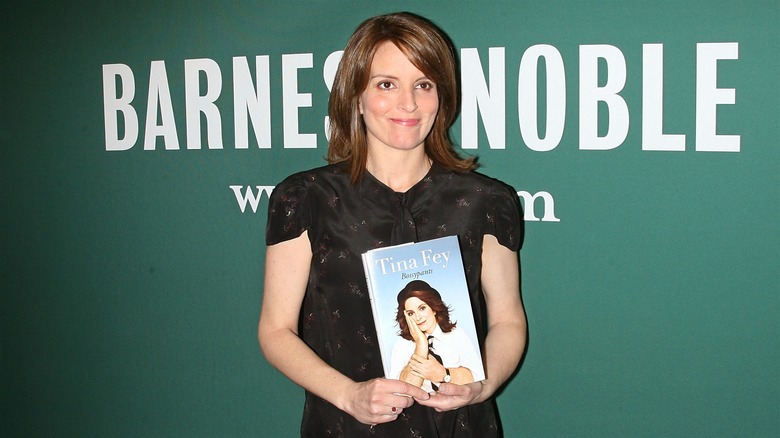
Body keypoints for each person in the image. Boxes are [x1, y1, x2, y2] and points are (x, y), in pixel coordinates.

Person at [258, 11, 527, 437]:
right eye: (387, 84)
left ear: (442, 97)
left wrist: (481, 385)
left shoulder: (486, 201)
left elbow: (509, 319)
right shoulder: (306, 197)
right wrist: (349, 395)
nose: (408, 104)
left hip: (458, 425)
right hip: (346, 425)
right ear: (357, 97)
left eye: (424, 85)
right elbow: (275, 330)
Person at [389, 280, 484, 393]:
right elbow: (399, 392)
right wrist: (421, 344)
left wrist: (443, 374)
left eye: (422, 308)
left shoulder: (456, 334)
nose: (418, 317)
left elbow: (477, 376)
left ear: (433, 308)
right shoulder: (402, 346)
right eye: (410, 313)